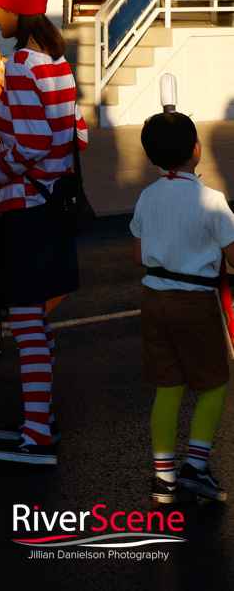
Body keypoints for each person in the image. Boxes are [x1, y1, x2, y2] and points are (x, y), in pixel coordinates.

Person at [0, 0, 87, 466]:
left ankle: (37, 437)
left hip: (29, 209)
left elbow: (35, 143)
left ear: (19, 12)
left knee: (24, 322)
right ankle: (36, 421)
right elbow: (76, 134)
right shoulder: (57, 61)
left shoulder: (22, 63)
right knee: (33, 323)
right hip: (54, 204)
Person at [131, 111, 234, 503]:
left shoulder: (147, 195)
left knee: (168, 386)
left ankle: (164, 479)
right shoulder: (211, 199)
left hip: (153, 299)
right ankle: (197, 466)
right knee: (213, 382)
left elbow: (139, 255)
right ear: (197, 149)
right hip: (195, 302)